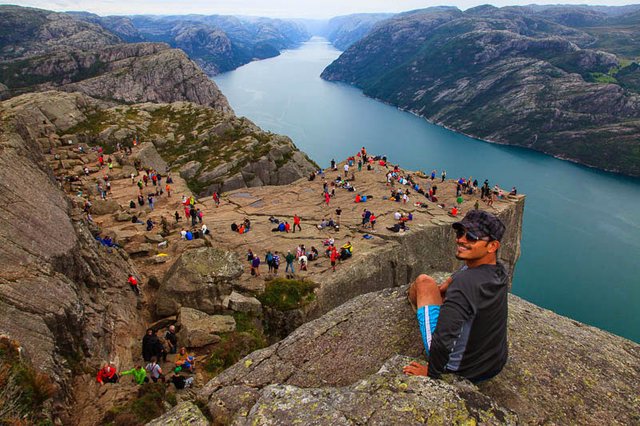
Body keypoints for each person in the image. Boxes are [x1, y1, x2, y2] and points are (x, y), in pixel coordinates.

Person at [403, 210, 508, 383]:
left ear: (492, 246)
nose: (461, 240)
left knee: (423, 283)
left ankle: (418, 304)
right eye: (460, 233)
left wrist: (432, 373)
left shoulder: (465, 285)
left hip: (460, 367)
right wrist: (450, 281)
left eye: (472, 237)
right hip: (493, 365)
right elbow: (467, 269)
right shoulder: (499, 270)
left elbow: (444, 338)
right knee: (438, 289)